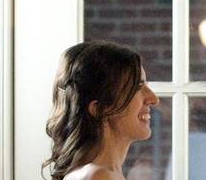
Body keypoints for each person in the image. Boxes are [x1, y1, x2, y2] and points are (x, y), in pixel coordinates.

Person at [43, 41, 159, 180]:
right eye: (137, 87)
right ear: (99, 109)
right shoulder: (98, 175)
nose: (154, 98)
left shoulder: (102, 173)